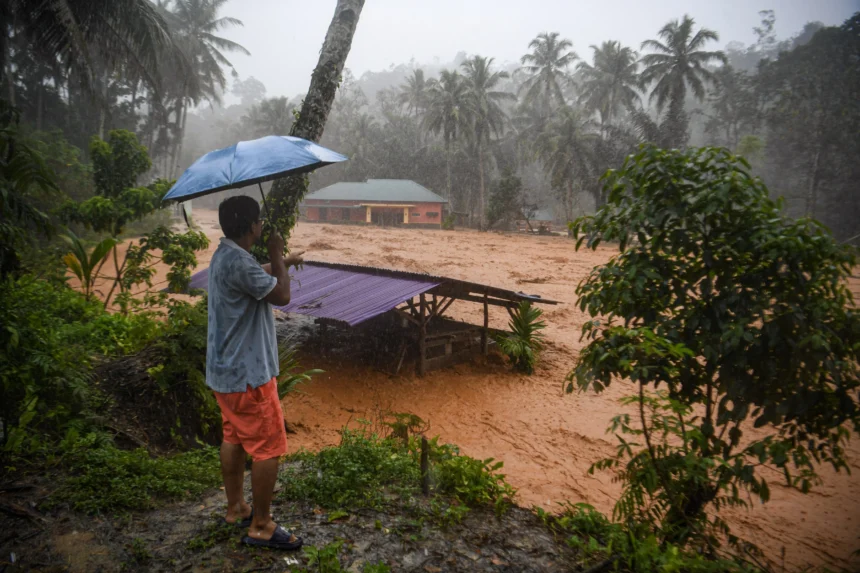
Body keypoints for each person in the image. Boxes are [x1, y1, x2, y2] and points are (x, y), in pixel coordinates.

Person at [206, 195, 304, 550]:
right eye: (259, 221)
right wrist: (278, 253)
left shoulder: (225, 255)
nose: (262, 225)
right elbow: (282, 296)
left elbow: (251, 274)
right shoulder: (240, 261)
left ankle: (236, 507)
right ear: (252, 226)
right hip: (250, 376)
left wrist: (282, 261)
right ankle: (261, 524)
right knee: (267, 447)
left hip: (225, 373)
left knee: (233, 437)